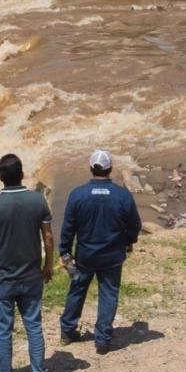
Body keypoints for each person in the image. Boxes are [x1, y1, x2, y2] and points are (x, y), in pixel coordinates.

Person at [0, 153, 54, 372]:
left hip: (3, 278)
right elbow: (49, 237)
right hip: (31, 275)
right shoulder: (37, 200)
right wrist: (48, 265)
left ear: (0, 177)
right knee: (33, 326)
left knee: (3, 329)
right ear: (22, 174)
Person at [58, 149, 142, 355]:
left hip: (85, 255)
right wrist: (128, 241)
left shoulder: (77, 195)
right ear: (110, 169)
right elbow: (135, 224)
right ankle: (102, 340)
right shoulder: (122, 195)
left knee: (77, 290)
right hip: (112, 256)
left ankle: (68, 331)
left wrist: (65, 251)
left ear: (90, 168)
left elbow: (68, 227)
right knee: (108, 294)